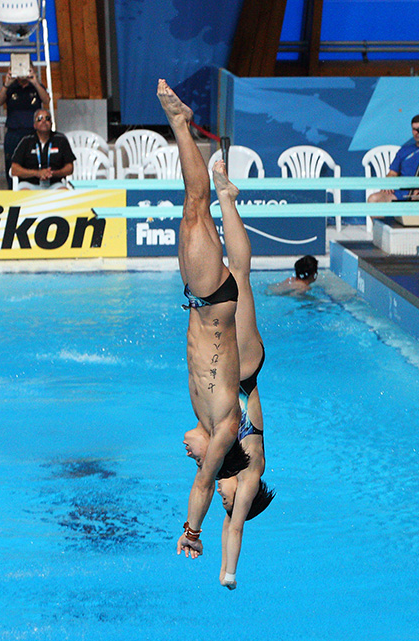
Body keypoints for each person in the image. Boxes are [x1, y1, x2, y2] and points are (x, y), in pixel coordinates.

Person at [157, 79, 242, 564]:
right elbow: (206, 482)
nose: (188, 452)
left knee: (195, 210)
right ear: (214, 451)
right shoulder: (224, 427)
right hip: (211, 296)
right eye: (198, 454)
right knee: (195, 203)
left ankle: (182, 127)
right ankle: (179, 122)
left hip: (203, 297)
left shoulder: (214, 419)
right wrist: (192, 531)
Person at [180, 160, 275, 590]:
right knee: (239, 274)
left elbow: (224, 515)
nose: (225, 500)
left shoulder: (232, 466)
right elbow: (236, 529)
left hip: (231, 372)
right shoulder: (251, 473)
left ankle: (226, 197)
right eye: (230, 502)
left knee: (238, 275)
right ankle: (225, 198)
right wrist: (229, 574)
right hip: (246, 368)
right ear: (246, 497)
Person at [367, 114, 419, 203]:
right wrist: (388, 183)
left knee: (415, 200)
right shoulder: (404, 150)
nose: (417, 133)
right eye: (414, 129)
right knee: (373, 199)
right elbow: (392, 173)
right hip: (400, 193)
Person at [0, 70, 51, 189]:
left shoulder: (36, 86)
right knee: (12, 166)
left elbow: (46, 101)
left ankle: (36, 191)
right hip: (14, 132)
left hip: (33, 133)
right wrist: (6, 84)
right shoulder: (11, 86)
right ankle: (13, 192)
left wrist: (35, 82)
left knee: (34, 164)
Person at [9, 109, 75, 189]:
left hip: (53, 184)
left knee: (64, 192)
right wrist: (37, 173)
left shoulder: (61, 140)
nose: (44, 121)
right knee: (24, 193)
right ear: (34, 125)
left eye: (47, 118)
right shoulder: (26, 141)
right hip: (30, 184)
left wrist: (53, 173)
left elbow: (69, 168)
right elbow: (14, 169)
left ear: (51, 123)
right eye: (40, 119)